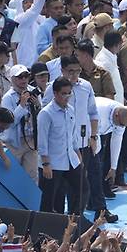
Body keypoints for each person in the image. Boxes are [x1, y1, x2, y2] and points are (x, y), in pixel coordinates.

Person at [37, 77, 83, 214]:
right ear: (55, 93)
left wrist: (78, 155)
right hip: (53, 163)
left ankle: (74, 221)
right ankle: (46, 231)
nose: (67, 97)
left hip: (70, 160)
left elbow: (73, 135)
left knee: (83, 189)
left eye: (69, 93)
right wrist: (45, 164)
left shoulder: (70, 110)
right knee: (50, 200)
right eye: (64, 93)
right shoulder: (46, 113)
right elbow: (42, 141)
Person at [0, 64, 40, 182]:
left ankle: (30, 200)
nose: (23, 80)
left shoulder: (33, 92)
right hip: (13, 143)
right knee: (12, 176)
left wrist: (38, 106)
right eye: (19, 77)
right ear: (12, 79)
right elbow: (9, 123)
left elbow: (41, 116)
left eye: (26, 76)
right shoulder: (7, 97)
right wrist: (22, 105)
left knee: (32, 177)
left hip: (31, 141)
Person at [95, 97, 127, 200]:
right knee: (95, 163)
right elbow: (95, 139)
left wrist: (113, 168)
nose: (122, 127)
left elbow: (116, 141)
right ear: (116, 116)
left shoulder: (122, 118)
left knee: (104, 161)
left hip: (102, 131)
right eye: (121, 124)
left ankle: (103, 188)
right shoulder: (99, 113)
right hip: (89, 129)